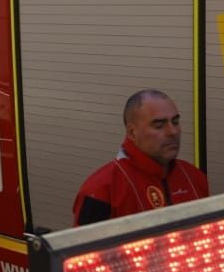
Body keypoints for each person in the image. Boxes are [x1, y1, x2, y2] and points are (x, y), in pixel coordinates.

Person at [72, 89, 209, 225]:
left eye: (175, 122)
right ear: (132, 132)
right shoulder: (101, 190)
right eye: (159, 125)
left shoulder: (194, 177)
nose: (172, 132)